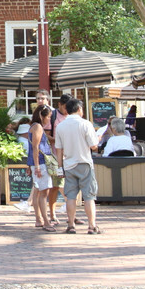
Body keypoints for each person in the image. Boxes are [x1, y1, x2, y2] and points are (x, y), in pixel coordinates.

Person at [53, 98, 102, 234]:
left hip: (68, 164)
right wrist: (98, 140)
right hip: (85, 162)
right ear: (79, 109)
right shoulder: (86, 124)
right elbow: (93, 146)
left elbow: (59, 149)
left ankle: (70, 225)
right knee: (89, 196)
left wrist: (59, 167)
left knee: (70, 196)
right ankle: (92, 226)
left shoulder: (61, 126)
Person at [28, 104, 57, 232]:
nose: (49, 120)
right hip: (41, 163)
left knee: (38, 191)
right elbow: (35, 147)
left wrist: (31, 165)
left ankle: (39, 219)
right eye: (49, 117)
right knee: (44, 193)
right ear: (42, 116)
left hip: (36, 163)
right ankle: (45, 221)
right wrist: (37, 166)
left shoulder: (33, 127)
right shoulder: (38, 127)